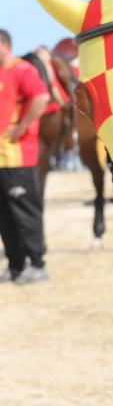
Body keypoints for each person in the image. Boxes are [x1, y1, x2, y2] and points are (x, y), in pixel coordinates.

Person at [0, 29, 50, 283]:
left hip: (19, 156)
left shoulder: (23, 70)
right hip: (0, 158)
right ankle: (16, 265)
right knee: (5, 216)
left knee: (25, 212)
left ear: (5, 45)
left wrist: (21, 127)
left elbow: (41, 97)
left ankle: (37, 264)